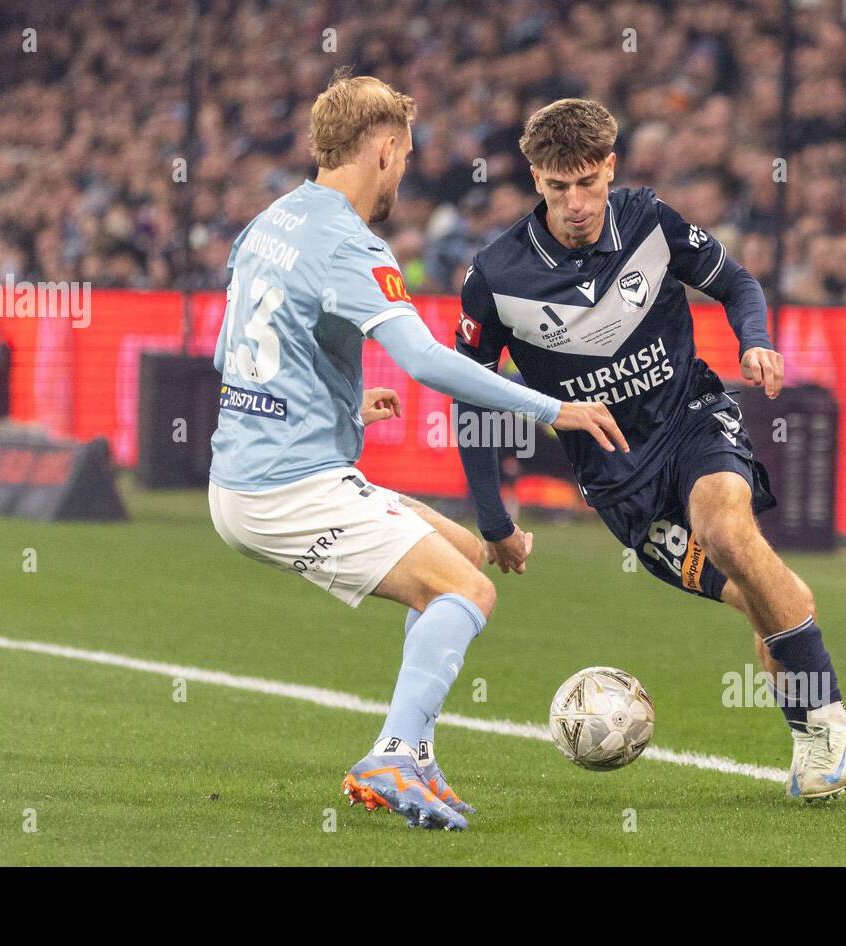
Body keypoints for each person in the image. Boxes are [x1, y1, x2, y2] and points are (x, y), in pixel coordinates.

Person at [206, 73, 625, 831]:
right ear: (385, 149)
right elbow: (427, 362)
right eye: (403, 156)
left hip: (251, 471)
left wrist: (339, 400)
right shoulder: (348, 243)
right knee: (469, 593)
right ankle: (393, 753)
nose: (403, 171)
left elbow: (235, 354)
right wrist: (552, 409)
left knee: (464, 555)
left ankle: (417, 757)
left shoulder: (269, 222)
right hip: (285, 487)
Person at [454, 99, 846, 800]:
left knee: (727, 528)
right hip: (620, 485)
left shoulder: (650, 221)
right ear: (535, 180)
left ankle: (824, 723)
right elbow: (471, 396)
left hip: (692, 419)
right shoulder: (497, 276)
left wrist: (754, 339)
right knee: (761, 596)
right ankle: (807, 712)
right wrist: (494, 521)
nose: (576, 202)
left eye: (588, 182)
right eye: (558, 187)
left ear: (610, 168)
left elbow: (735, 281)